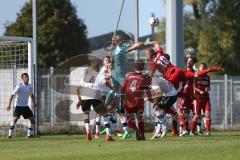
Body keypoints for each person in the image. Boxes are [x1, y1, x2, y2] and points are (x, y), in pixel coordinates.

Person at [122, 60, 153, 140]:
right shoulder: (144, 77)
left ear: (134, 66)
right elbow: (148, 91)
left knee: (130, 121)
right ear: (142, 67)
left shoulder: (128, 76)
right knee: (140, 118)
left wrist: (121, 99)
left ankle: (137, 130)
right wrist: (151, 99)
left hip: (129, 101)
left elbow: (123, 89)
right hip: (139, 101)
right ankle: (142, 135)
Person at [7, 73, 36, 138]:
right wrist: (9, 104)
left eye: (27, 77)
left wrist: (34, 102)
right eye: (25, 77)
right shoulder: (19, 86)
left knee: (32, 119)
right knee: (15, 119)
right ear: (22, 79)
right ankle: (10, 135)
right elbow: (12, 95)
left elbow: (31, 94)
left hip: (25, 106)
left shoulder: (30, 86)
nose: (27, 78)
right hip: (18, 106)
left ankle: (29, 134)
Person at [191, 63, 212, 136]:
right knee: (197, 115)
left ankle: (208, 131)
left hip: (206, 98)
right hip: (198, 98)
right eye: (201, 67)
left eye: (204, 67)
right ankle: (192, 131)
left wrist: (207, 88)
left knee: (207, 114)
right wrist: (199, 91)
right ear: (199, 68)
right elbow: (193, 87)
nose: (202, 68)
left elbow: (209, 87)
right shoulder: (196, 76)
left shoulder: (208, 77)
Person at [178, 57, 196, 136]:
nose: (189, 63)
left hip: (186, 94)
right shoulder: (187, 72)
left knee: (179, 111)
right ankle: (187, 130)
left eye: (191, 61)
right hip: (187, 94)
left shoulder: (190, 72)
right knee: (186, 113)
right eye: (188, 61)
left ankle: (185, 129)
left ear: (193, 63)